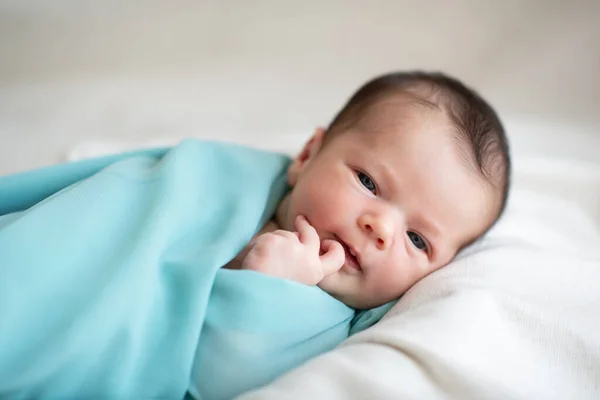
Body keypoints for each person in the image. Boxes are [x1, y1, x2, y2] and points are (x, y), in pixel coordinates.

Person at [226, 70, 510, 310]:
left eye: (416, 240)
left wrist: (267, 291)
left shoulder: (336, 334)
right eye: (368, 183)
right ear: (308, 154)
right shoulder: (224, 178)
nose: (381, 229)